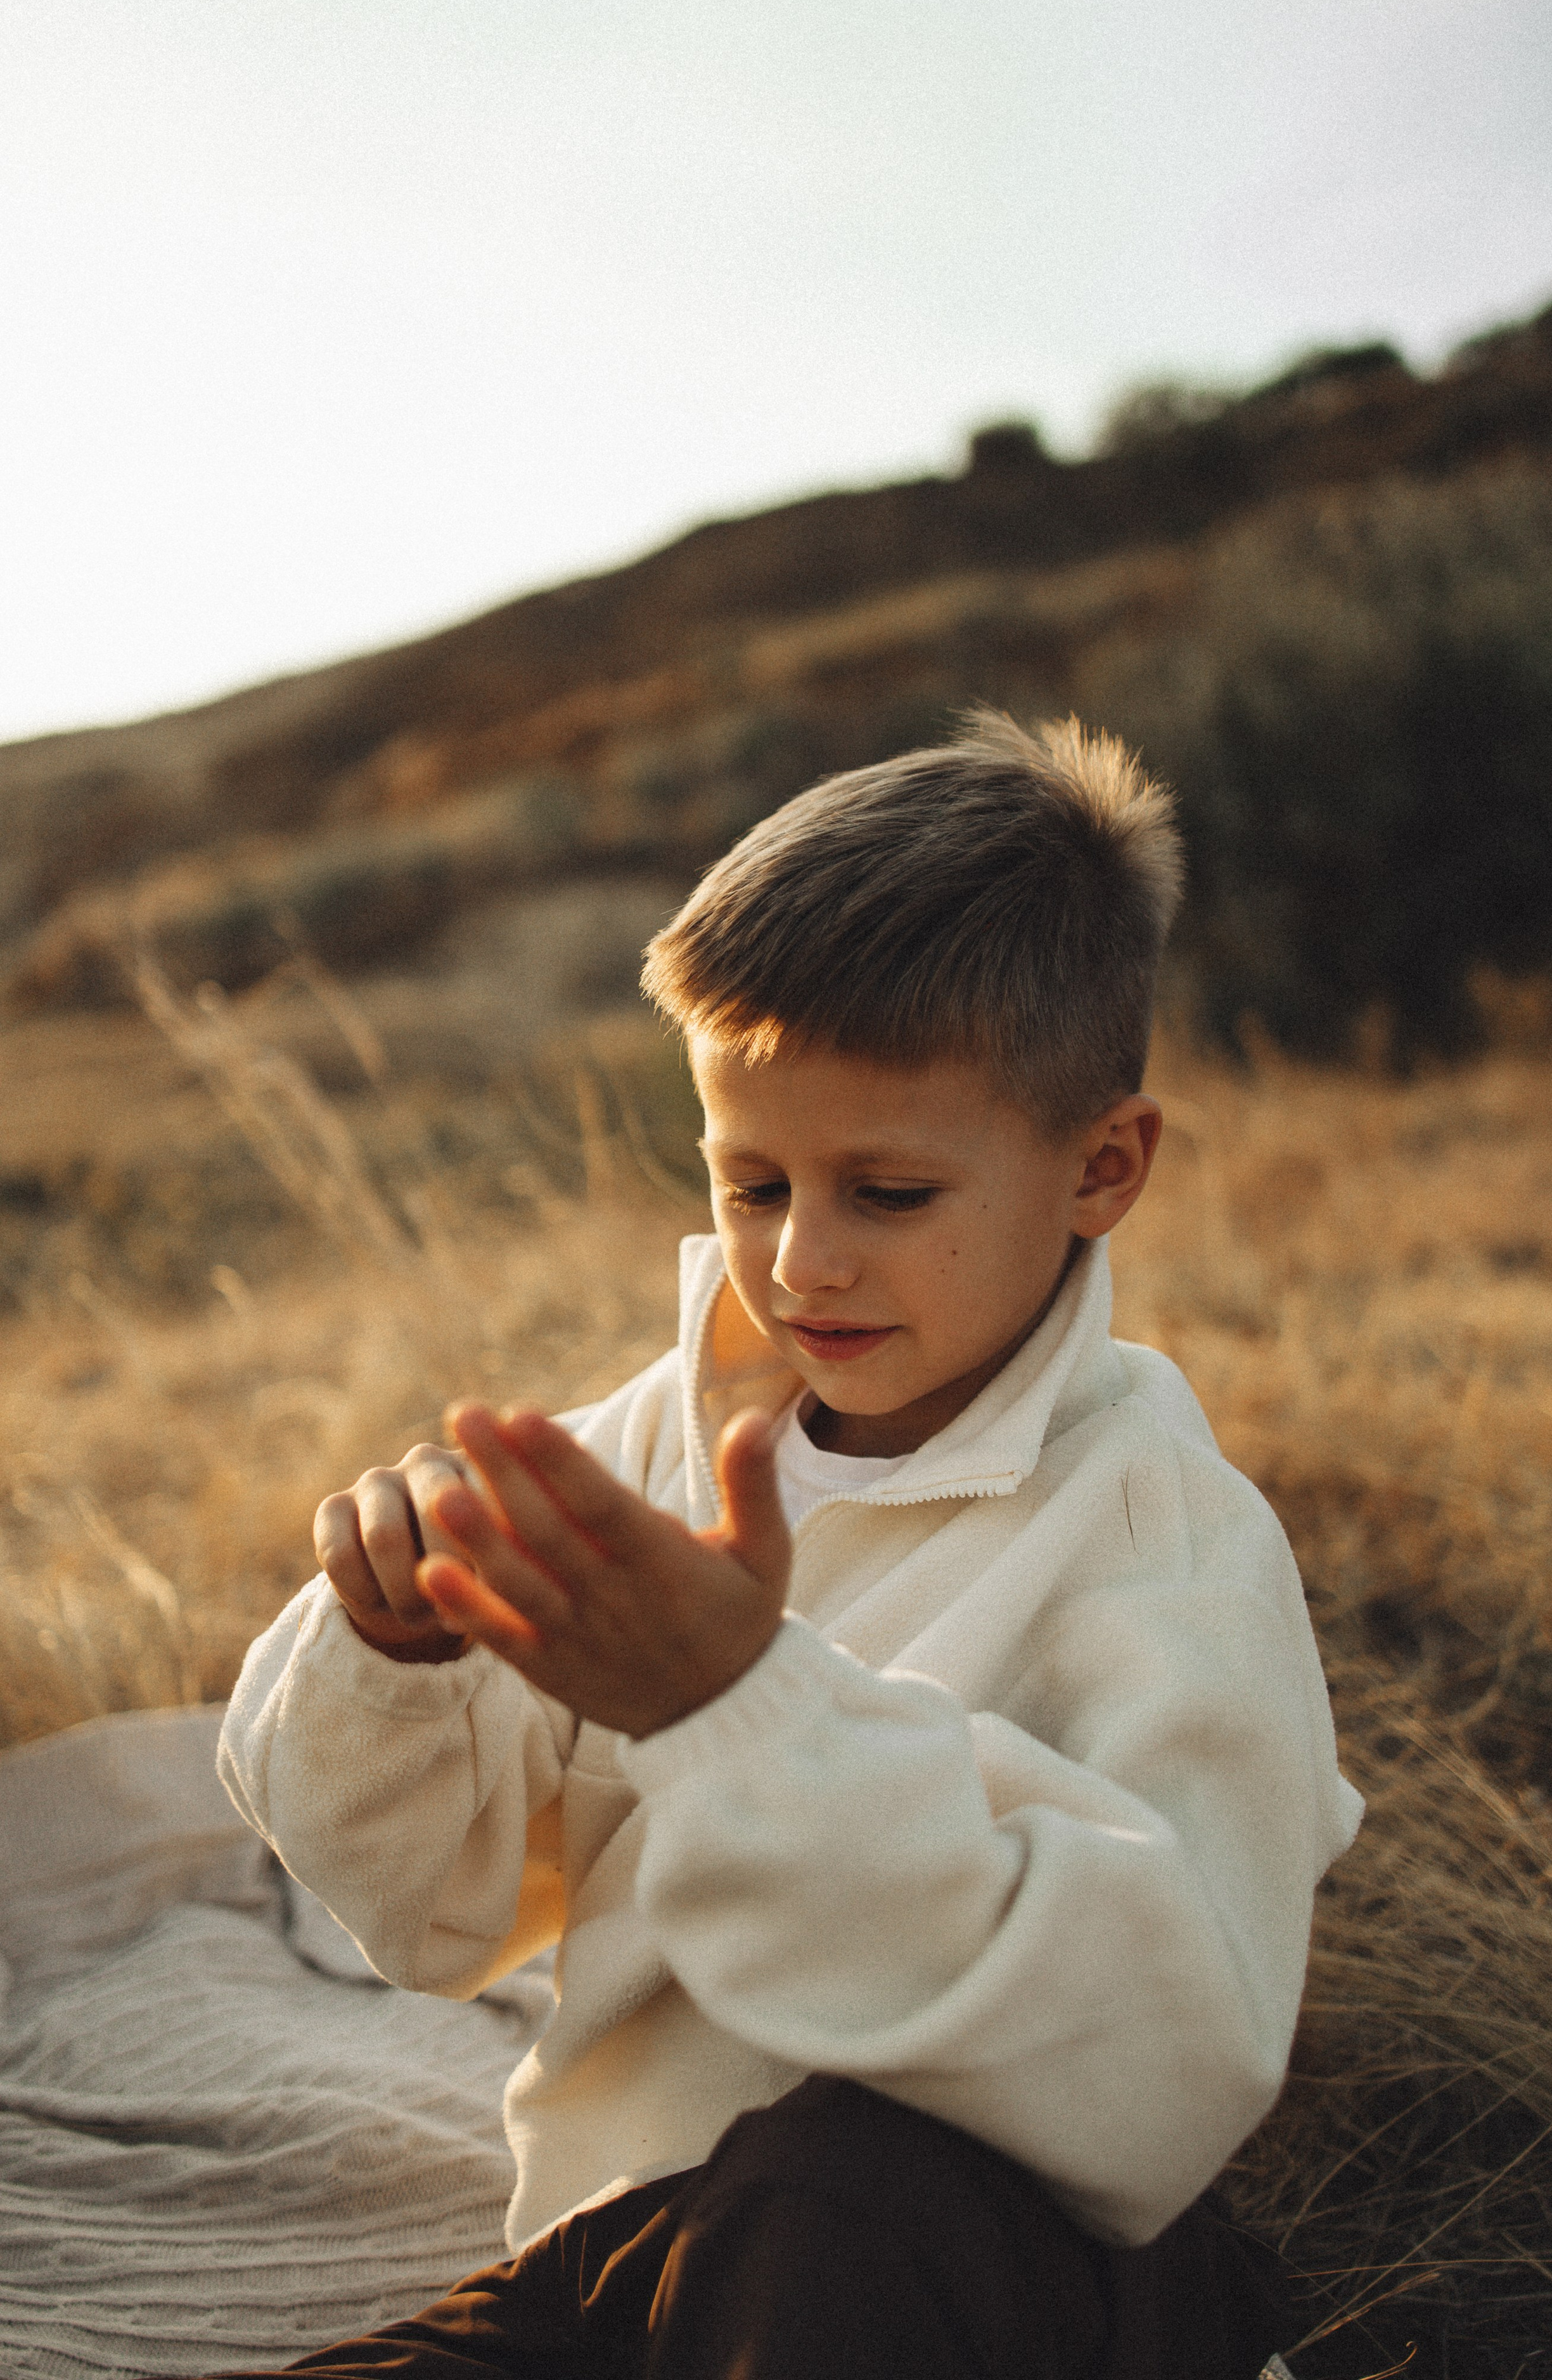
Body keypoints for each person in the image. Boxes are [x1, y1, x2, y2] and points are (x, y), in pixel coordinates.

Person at [207, 711, 1363, 2379]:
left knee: (832, 2195)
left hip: (956, 2266)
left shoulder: (1166, 1542)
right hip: (619, 2254)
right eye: (751, 1185)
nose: (804, 1263)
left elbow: (1167, 2070)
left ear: (1103, 1166)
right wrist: (394, 1650)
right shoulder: (650, 1452)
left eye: (887, 1193)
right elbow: (437, 1923)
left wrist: (740, 1703)